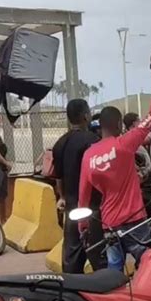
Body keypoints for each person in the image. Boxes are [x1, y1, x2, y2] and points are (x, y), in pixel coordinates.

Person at [79, 69, 151, 271]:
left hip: (109, 224)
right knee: (148, 267)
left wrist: (83, 227)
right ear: (119, 124)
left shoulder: (88, 156)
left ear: (100, 126)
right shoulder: (124, 144)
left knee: (114, 271)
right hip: (135, 221)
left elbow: (83, 197)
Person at [53, 99, 106, 273]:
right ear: (85, 116)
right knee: (99, 255)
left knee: (71, 257)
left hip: (71, 206)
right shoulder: (94, 140)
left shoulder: (60, 143)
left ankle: (71, 292)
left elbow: (58, 176)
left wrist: (62, 197)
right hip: (93, 206)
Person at [123, 112, 151, 184]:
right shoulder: (130, 139)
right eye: (139, 121)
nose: (141, 122)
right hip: (139, 180)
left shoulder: (132, 138)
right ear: (134, 123)